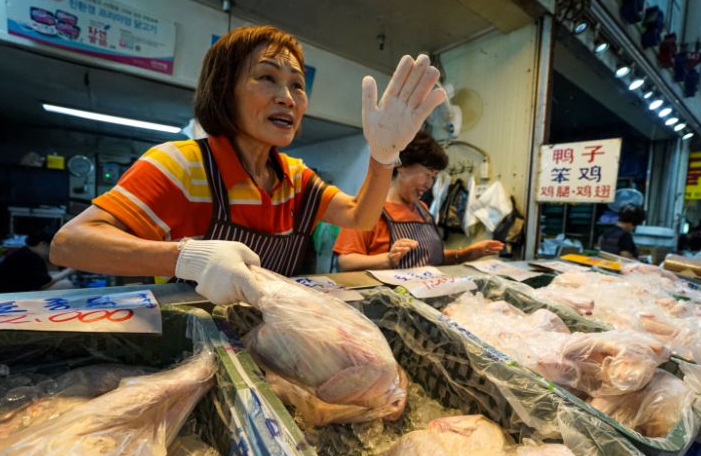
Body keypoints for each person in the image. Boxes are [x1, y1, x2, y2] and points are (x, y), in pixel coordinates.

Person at [50, 25, 446, 304]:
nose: (287, 97)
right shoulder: (181, 164)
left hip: (270, 338)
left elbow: (361, 216)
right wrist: (186, 257)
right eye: (266, 77)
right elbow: (69, 244)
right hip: (193, 340)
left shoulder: (296, 178)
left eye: (296, 85)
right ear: (225, 90)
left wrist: (382, 155)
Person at [333, 131, 504, 270]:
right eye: (427, 174)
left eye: (434, 177)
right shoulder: (368, 208)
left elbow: (428, 259)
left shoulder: (422, 209)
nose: (430, 184)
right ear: (402, 166)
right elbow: (346, 262)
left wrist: (466, 254)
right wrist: (388, 259)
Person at [0, 226, 74, 293]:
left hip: (8, 291)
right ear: (43, 244)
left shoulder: (26, 252)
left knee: (55, 274)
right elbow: (44, 284)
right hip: (8, 297)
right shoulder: (30, 258)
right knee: (66, 285)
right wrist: (70, 270)